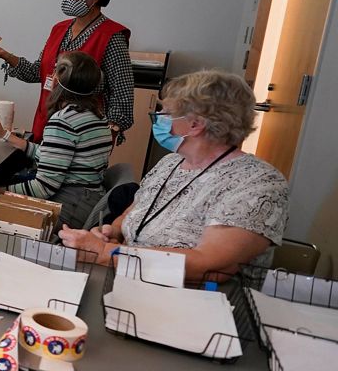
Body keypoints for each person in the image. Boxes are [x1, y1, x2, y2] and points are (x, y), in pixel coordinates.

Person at [60, 71, 288, 284]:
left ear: (195, 124)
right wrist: (113, 232)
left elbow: (210, 266)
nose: (158, 118)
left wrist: (103, 252)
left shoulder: (257, 183)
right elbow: (134, 212)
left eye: (166, 113)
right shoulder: (170, 163)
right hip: (128, 280)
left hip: (195, 302)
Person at [0, 0, 133, 143]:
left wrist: (104, 137)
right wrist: (5, 55)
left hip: (82, 135)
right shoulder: (59, 29)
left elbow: (122, 95)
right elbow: (37, 72)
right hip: (47, 124)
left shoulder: (111, 37)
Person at [0, 52, 112, 228]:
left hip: (71, 205)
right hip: (89, 198)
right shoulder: (96, 116)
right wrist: (4, 135)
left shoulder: (63, 121)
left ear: (56, 82)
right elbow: (50, 155)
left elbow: (43, 187)